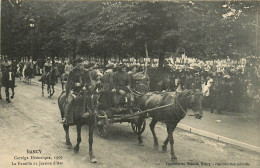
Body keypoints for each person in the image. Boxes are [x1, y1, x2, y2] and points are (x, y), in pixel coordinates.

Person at [61, 57, 85, 124]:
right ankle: (66, 118)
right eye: (79, 63)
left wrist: (86, 86)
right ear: (76, 64)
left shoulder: (85, 71)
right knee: (70, 102)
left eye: (81, 62)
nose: (81, 64)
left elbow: (88, 80)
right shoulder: (72, 72)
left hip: (84, 90)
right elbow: (69, 82)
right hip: (74, 90)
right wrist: (75, 84)